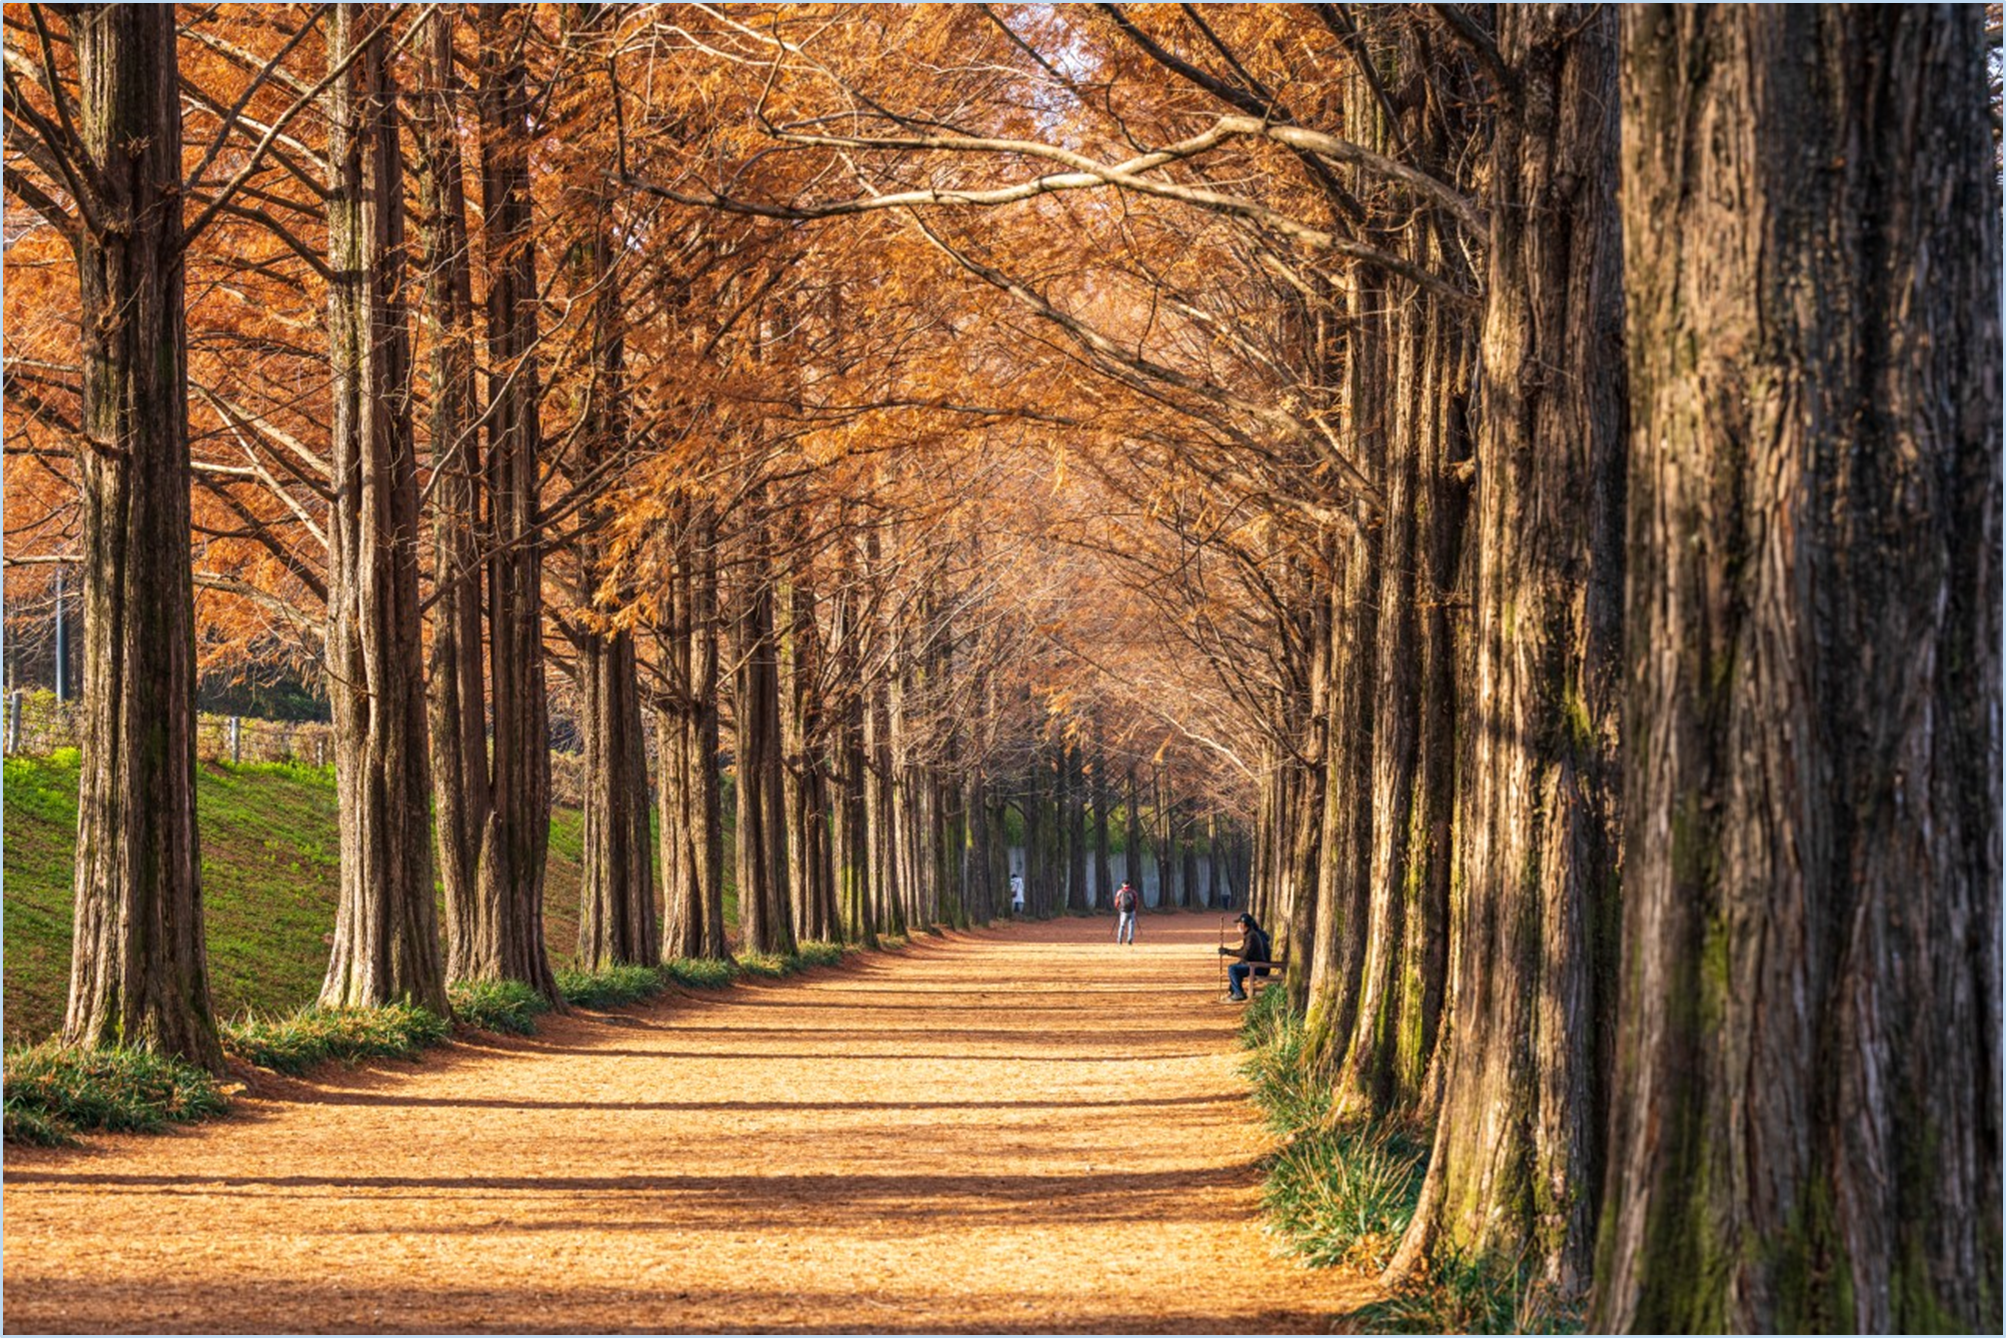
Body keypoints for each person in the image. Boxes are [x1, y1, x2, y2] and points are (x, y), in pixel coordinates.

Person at [1217, 912, 1273, 1001]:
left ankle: (1238, 993)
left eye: (1239, 924)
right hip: (1255, 965)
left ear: (1244, 925)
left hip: (1259, 967)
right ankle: (1235, 991)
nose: (1238, 926)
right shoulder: (1249, 935)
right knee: (1237, 967)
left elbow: (1245, 953)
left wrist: (1228, 951)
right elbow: (1244, 954)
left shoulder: (1252, 936)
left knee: (1233, 969)